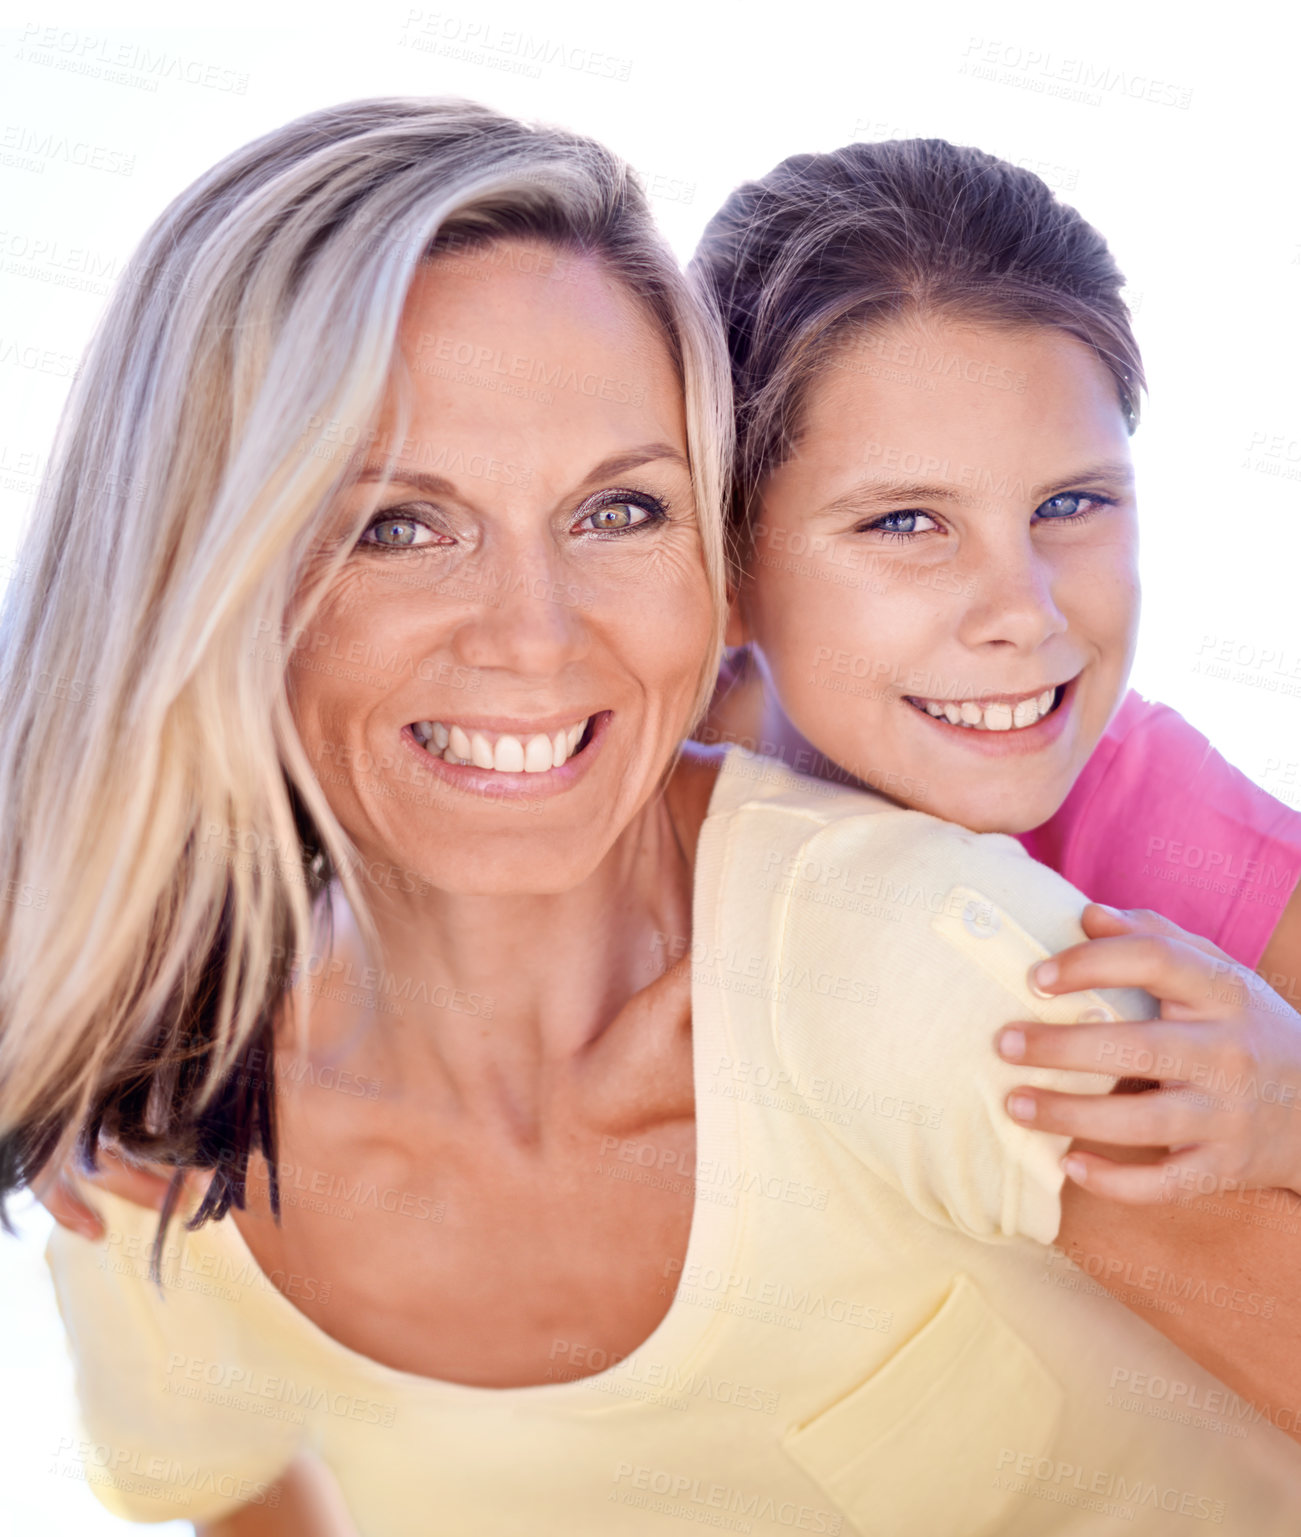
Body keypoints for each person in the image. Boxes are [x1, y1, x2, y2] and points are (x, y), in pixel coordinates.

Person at [7, 103, 1301, 1536]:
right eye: (399, 524)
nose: (535, 637)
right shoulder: (148, 1157)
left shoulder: (982, 943)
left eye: (617, 511)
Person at [692, 136, 1301, 1201]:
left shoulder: (1140, 802)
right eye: (905, 521)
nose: (1023, 612)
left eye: (1068, 504)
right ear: (723, 563)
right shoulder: (607, 779)